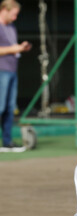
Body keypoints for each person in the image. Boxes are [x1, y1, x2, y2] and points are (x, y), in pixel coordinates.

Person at [0, 0, 31, 152]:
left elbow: (13, 47)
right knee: (0, 107)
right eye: (13, 14)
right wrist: (13, 48)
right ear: (5, 9)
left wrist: (20, 47)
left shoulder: (11, 28)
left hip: (12, 71)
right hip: (1, 71)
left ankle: (7, 142)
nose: (15, 18)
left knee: (9, 108)